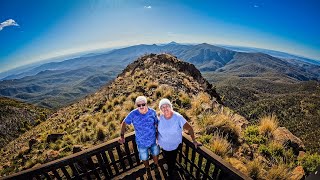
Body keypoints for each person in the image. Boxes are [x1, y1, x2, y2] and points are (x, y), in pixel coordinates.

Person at [157, 98, 201, 179]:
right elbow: (156, 129)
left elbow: (190, 128)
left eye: (167, 106)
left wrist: (194, 141)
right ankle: (170, 168)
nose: (165, 108)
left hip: (174, 146)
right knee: (167, 157)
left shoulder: (178, 117)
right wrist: (156, 139)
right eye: (162, 107)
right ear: (160, 109)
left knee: (172, 160)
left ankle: (170, 172)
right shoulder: (159, 118)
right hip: (163, 145)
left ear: (170, 106)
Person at [119, 96, 160, 178]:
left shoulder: (152, 112)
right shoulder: (133, 114)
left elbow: (157, 123)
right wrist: (122, 136)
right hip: (141, 142)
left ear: (146, 104)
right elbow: (124, 123)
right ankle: (147, 169)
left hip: (153, 140)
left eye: (143, 104)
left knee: (155, 153)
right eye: (138, 105)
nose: (141, 107)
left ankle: (156, 166)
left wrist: (158, 135)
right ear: (136, 105)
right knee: (144, 157)